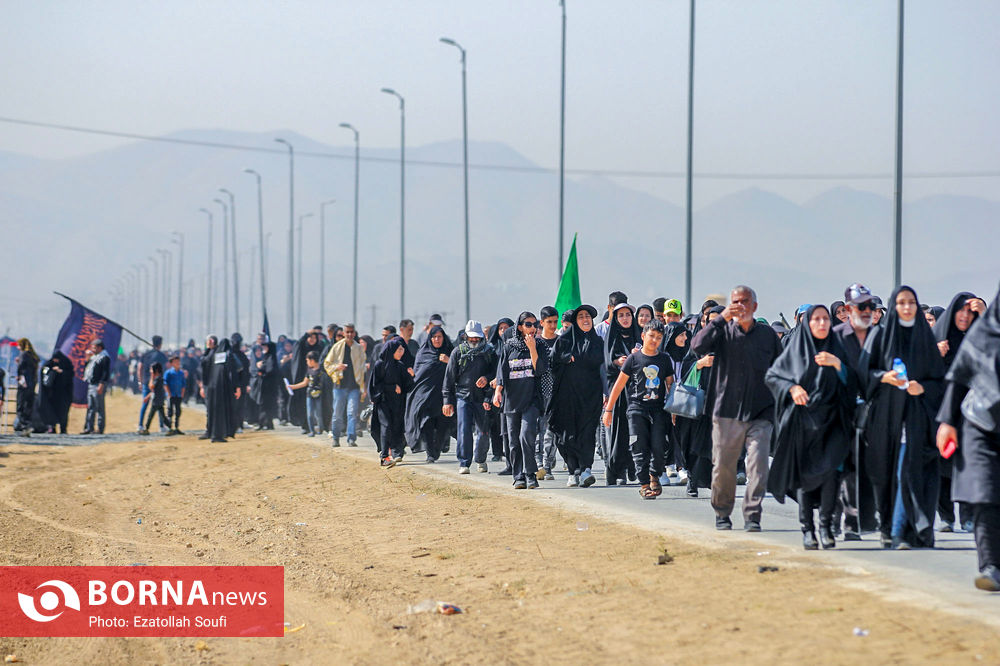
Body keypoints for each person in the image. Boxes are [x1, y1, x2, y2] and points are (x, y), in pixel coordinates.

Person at [691, 285, 783, 532]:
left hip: (760, 412)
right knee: (723, 467)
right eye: (735, 302)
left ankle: (752, 515)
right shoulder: (722, 332)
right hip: (726, 412)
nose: (740, 306)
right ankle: (722, 512)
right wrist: (721, 318)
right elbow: (697, 346)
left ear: (754, 306)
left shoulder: (767, 335)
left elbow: (781, 366)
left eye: (745, 301)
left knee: (758, 466)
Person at [861, 285, 945, 549]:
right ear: (893, 307)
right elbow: (865, 373)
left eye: (911, 302)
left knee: (907, 472)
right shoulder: (881, 336)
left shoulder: (925, 339)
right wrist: (883, 377)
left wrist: (923, 388)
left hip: (918, 419)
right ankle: (890, 528)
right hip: (887, 419)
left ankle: (903, 532)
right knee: (888, 475)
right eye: (901, 303)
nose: (907, 307)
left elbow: (939, 381)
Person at [767, 305, 856, 550]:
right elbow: (773, 377)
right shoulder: (795, 350)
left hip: (834, 423)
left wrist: (838, 365)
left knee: (831, 476)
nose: (822, 323)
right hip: (803, 424)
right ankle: (808, 529)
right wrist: (792, 388)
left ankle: (826, 526)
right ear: (807, 323)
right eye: (816, 319)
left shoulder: (838, 348)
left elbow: (854, 383)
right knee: (805, 479)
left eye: (825, 319)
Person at [935, 282, 1000, 591]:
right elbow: (959, 377)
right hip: (979, 423)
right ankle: (991, 566)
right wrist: (947, 421)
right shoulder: (984, 333)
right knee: (985, 491)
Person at [933, 292, 987, 532]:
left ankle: (967, 516)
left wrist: (983, 314)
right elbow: (923, 371)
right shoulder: (939, 340)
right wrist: (937, 355)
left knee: (967, 465)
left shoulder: (978, 340)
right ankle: (946, 516)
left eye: (970, 313)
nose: (965, 316)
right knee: (941, 464)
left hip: (972, 413)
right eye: (961, 311)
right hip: (942, 411)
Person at [604, 319, 675, 499]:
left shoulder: (664, 359)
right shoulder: (633, 359)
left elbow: (670, 385)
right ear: (643, 336)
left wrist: (674, 411)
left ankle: (654, 475)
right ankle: (644, 484)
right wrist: (608, 410)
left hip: (658, 410)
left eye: (658, 337)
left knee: (659, 445)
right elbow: (619, 385)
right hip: (636, 409)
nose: (654, 340)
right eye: (651, 336)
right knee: (639, 446)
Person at [832, 283, 879, 540]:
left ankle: (856, 520)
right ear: (848, 309)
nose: (867, 311)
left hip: (872, 413)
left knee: (863, 468)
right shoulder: (835, 337)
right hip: (840, 411)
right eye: (861, 307)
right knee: (840, 467)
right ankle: (835, 517)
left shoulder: (880, 336)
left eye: (870, 306)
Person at [549, 304, 606, 489]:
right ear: (575, 321)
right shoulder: (564, 341)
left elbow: (603, 367)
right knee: (566, 436)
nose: (585, 319)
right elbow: (552, 363)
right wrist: (565, 358)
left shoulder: (598, 342)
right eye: (581, 317)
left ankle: (586, 469)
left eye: (588, 316)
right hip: (566, 397)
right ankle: (573, 471)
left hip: (591, 397)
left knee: (587, 434)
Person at [494, 312, 549, 489]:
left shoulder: (540, 345)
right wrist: (498, 391)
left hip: (531, 399)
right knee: (513, 441)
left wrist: (532, 348)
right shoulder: (509, 346)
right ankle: (518, 476)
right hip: (512, 400)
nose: (532, 328)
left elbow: (540, 370)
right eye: (528, 325)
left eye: (535, 325)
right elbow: (502, 370)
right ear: (520, 327)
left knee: (526, 435)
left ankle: (530, 474)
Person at [675, 305, 725, 498]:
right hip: (697, 401)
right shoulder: (697, 342)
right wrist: (700, 364)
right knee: (693, 442)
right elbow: (685, 368)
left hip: (721, 402)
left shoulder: (731, 344)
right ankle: (692, 479)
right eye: (710, 321)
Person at [443, 321, 496, 474]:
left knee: (483, 431)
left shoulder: (489, 352)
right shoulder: (457, 352)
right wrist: (447, 401)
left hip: (482, 398)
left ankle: (480, 459)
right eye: (471, 337)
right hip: (463, 396)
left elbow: (496, 372)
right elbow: (449, 378)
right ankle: (464, 462)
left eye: (476, 337)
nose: (474, 340)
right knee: (464, 430)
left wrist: (486, 378)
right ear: (466, 336)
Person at [603, 303, 641, 486]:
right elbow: (606, 363)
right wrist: (618, 361)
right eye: (621, 315)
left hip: (637, 390)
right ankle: (617, 470)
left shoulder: (638, 336)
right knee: (619, 431)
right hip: (617, 389)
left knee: (637, 430)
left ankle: (633, 466)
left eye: (628, 315)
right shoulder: (612, 337)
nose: (625, 318)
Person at [404, 325, 454, 462]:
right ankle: (430, 453)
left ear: (444, 338)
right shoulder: (423, 353)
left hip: (444, 397)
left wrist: (449, 361)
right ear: (430, 339)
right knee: (426, 424)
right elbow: (418, 375)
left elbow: (459, 369)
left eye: (439, 337)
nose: (437, 339)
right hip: (425, 397)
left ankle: (437, 449)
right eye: (434, 337)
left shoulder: (450, 352)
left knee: (443, 425)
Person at [369, 338, 414, 466]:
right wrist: (391, 387)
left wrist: (411, 376)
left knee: (396, 427)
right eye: (399, 349)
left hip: (397, 404)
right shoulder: (380, 365)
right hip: (383, 402)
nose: (402, 352)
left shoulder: (400, 366)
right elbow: (374, 385)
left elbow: (407, 386)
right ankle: (384, 457)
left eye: (402, 349)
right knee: (386, 426)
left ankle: (397, 452)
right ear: (392, 350)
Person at [324, 323, 366, 446]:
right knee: (337, 414)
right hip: (339, 386)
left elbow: (362, 367)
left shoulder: (358, 348)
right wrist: (337, 367)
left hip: (354, 386)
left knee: (352, 413)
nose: (349, 334)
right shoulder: (337, 347)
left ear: (354, 333)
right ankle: (336, 437)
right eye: (347, 332)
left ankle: (351, 438)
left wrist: (363, 386)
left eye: (351, 332)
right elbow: (327, 364)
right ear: (343, 333)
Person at [534, 306, 561, 480]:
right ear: (542, 323)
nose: (552, 325)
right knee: (538, 430)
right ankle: (537, 464)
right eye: (549, 322)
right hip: (537, 393)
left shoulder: (561, 342)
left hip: (556, 393)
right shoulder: (535, 343)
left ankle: (547, 465)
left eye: (555, 322)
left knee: (551, 431)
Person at [202, 336, 242, 443]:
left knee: (212, 411)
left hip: (211, 388)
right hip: (223, 389)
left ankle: (211, 432)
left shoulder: (213, 355)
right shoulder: (228, 355)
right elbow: (233, 372)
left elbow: (203, 365)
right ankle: (218, 435)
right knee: (221, 412)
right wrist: (236, 386)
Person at [486, 318, 514, 463]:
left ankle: (511, 458)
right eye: (501, 328)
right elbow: (488, 368)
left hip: (512, 389)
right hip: (494, 389)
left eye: (506, 328)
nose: (503, 331)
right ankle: (497, 451)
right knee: (495, 423)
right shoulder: (491, 348)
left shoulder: (515, 346)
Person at [289, 331, 325, 433]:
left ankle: (320, 427)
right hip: (304, 379)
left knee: (318, 409)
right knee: (305, 406)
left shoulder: (320, 348)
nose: (312, 340)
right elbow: (298, 344)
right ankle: (306, 426)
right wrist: (305, 334)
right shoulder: (302, 347)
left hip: (317, 382)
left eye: (314, 337)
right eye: (310, 337)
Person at [136, 335, 168, 434]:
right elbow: (167, 367)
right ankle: (161, 426)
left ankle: (140, 425)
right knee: (159, 404)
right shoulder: (162, 356)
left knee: (145, 403)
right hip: (158, 383)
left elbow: (139, 368)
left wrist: (140, 381)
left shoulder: (145, 354)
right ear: (160, 344)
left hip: (146, 382)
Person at [39, 350, 74, 434]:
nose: (55, 361)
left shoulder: (66, 364)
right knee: (51, 411)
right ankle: (52, 427)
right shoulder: (49, 364)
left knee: (63, 412)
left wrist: (61, 371)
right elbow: (44, 372)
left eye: (57, 359)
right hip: (52, 394)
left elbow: (70, 374)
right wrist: (51, 372)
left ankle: (63, 429)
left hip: (64, 394)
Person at [82, 339, 111, 434]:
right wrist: (87, 358)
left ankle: (100, 428)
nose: (92, 350)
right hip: (91, 384)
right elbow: (87, 368)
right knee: (91, 407)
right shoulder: (93, 357)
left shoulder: (104, 357)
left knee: (99, 407)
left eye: (94, 348)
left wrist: (101, 385)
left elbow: (105, 373)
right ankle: (89, 427)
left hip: (98, 385)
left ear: (99, 348)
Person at [250, 341, 280, 430]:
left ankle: (264, 424)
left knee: (265, 405)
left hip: (268, 387)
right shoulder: (267, 357)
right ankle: (266, 423)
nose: (264, 349)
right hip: (266, 386)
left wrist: (261, 370)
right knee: (265, 405)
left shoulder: (271, 358)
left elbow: (270, 370)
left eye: (266, 347)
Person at [13, 338, 39, 435]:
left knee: (20, 404)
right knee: (28, 405)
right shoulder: (33, 356)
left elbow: (21, 368)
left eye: (18, 345)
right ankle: (27, 425)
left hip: (23, 383)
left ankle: (23, 425)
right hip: (32, 383)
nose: (17, 347)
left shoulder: (23, 354)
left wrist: (18, 376)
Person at [141, 361, 167, 435]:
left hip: (156, 401)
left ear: (156, 370)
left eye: (151, 370)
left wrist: (152, 377)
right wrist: (147, 397)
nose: (150, 371)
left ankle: (146, 429)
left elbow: (151, 387)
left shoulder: (158, 379)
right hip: (158, 400)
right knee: (162, 416)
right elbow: (153, 391)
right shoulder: (159, 379)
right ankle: (170, 427)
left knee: (151, 415)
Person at [164, 355, 186, 435]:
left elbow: (183, 384)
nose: (177, 363)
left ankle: (177, 427)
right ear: (172, 363)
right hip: (171, 395)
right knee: (170, 411)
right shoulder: (168, 372)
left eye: (178, 361)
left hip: (178, 395)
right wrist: (169, 394)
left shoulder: (181, 373)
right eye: (175, 362)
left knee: (178, 411)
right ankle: (170, 428)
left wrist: (182, 394)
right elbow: (165, 383)